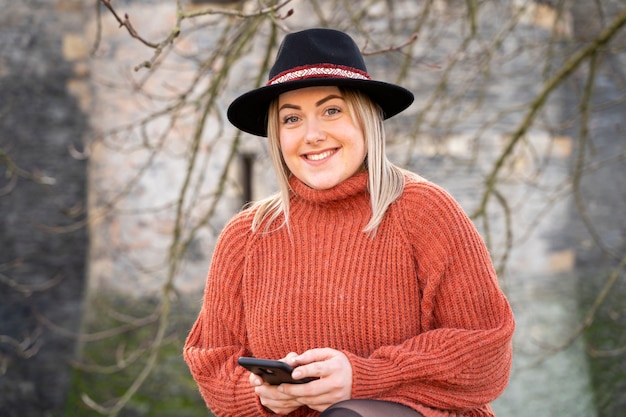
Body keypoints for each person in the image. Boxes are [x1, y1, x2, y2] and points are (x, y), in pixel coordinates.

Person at [183, 28, 515, 417]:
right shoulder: (247, 235)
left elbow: (485, 354)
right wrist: (259, 396)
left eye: (332, 110)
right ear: (276, 135)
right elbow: (212, 364)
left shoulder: (423, 211)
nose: (312, 135)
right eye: (292, 118)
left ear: (366, 119)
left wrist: (364, 378)